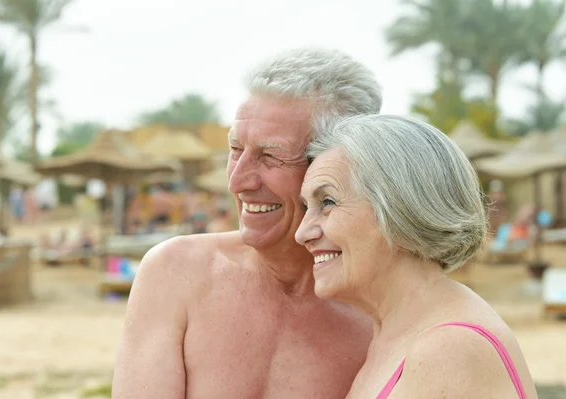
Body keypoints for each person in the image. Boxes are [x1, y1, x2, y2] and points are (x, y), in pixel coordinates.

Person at [112, 47, 382, 398]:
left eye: (269, 156)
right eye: (235, 150)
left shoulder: (383, 311)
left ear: (337, 166)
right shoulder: (176, 272)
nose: (238, 181)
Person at [295, 114, 538, 399]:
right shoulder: (396, 335)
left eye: (327, 202)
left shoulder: (448, 350)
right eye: (305, 206)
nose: (302, 233)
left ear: (400, 208)